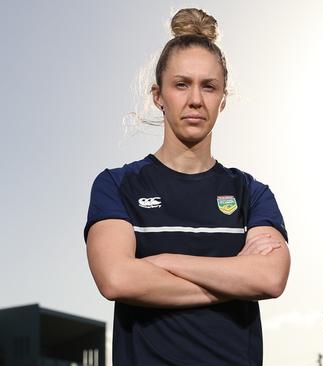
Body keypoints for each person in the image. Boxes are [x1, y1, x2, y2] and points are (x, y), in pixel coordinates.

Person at [84, 8, 290, 365]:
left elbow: (270, 278)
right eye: (182, 84)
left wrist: (161, 262)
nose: (195, 99)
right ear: (158, 95)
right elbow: (117, 279)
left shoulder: (251, 193)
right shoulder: (117, 185)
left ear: (223, 98)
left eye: (208, 86)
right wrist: (233, 279)